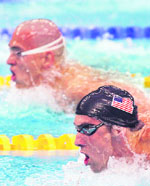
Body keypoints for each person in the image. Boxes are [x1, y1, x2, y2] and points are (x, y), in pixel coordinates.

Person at [7, 18, 149, 112]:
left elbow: (135, 103)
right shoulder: (45, 87)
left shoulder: (76, 89)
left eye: (18, 53)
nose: (9, 61)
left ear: (47, 59)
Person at [74, 85, 150, 173]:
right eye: (78, 129)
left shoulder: (145, 143)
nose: (77, 142)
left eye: (88, 128)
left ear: (117, 129)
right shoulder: (114, 155)